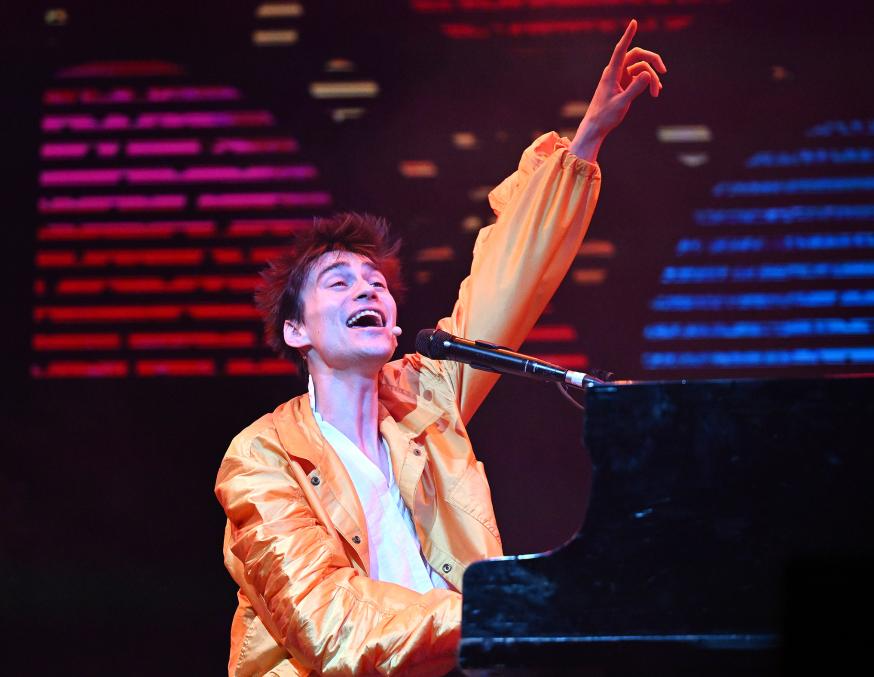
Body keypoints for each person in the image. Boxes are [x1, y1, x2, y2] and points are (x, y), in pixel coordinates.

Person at [214, 20, 665, 676]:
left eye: (375, 282)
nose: (366, 288)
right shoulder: (261, 457)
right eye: (338, 281)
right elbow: (329, 627)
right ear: (295, 331)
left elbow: (505, 282)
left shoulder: (427, 395)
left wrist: (587, 139)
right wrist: (500, 608)